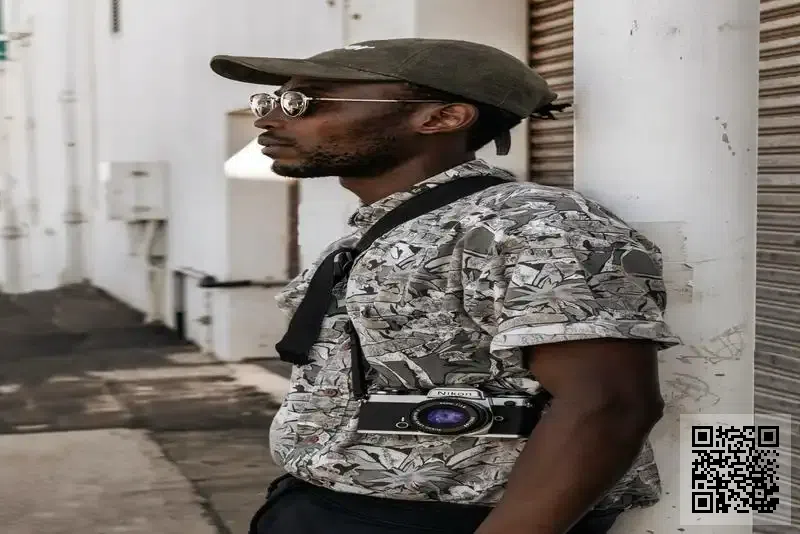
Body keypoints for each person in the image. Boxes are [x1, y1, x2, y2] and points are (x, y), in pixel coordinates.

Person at [210, 38, 681, 534]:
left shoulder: (531, 224)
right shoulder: (377, 232)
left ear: (442, 117)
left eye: (302, 102)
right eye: (270, 101)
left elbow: (608, 405)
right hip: (319, 505)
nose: (268, 119)